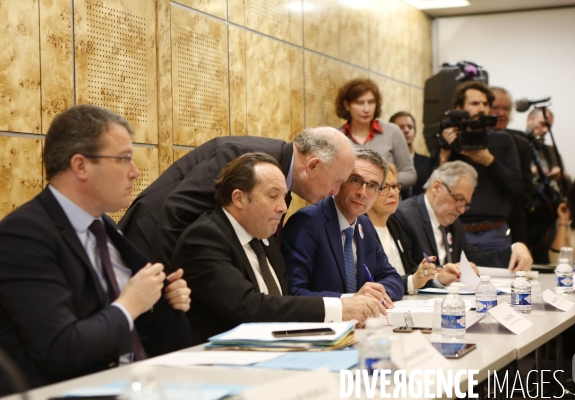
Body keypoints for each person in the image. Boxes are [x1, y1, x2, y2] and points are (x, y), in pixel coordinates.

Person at [0, 105, 191, 395]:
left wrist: (165, 303)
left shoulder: (104, 227)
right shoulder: (24, 235)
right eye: (124, 159)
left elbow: (156, 337)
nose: (135, 172)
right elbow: (59, 348)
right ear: (80, 166)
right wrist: (130, 304)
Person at [170, 152, 384, 344]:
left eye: (283, 196)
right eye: (273, 196)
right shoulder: (205, 238)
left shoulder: (264, 236)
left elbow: (283, 302)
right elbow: (248, 307)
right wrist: (340, 309)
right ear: (239, 198)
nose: (282, 207)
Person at [118, 127, 356, 270]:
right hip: (148, 243)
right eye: (336, 181)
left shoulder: (280, 174)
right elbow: (177, 209)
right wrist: (174, 282)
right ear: (313, 165)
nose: (336, 191)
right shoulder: (246, 159)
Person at [281, 149, 404, 304]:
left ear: (379, 192)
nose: (362, 192)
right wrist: (350, 301)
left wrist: (375, 295)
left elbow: (393, 279)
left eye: (372, 185)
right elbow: (293, 293)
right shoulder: (307, 222)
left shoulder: (365, 224)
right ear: (339, 180)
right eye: (355, 180)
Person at [433, 81, 522, 252]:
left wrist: (490, 161)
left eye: (485, 104)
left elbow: (517, 186)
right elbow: (432, 188)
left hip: (495, 232)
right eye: (475, 103)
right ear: (459, 107)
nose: (481, 109)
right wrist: (443, 155)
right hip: (456, 229)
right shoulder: (449, 141)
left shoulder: (503, 140)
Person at [395, 161, 533, 271]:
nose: (461, 210)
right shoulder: (406, 217)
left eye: (465, 204)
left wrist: (515, 249)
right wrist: (444, 272)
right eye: (458, 199)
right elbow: (409, 269)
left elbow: (474, 259)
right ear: (437, 187)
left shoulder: (454, 223)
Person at [365, 163, 463, 294]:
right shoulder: (360, 228)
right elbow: (374, 281)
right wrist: (413, 281)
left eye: (395, 186)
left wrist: (438, 277)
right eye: (384, 187)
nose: (393, 193)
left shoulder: (394, 223)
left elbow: (411, 271)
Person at [335, 78, 416, 189]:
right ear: (347, 105)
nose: (366, 109)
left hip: (386, 202)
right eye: (360, 103)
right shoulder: (336, 136)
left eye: (371, 102)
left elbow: (410, 174)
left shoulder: (392, 131)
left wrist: (383, 180)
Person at [489, 87, 533, 245]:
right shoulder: (471, 143)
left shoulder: (521, 143)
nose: (501, 113)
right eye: (495, 107)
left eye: (506, 108)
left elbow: (525, 188)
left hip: (513, 222)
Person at [389, 111, 435, 198]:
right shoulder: (388, 163)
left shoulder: (428, 162)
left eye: (410, 127)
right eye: (401, 127)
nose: (406, 130)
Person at [526, 107, 570, 184]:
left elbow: (567, 184)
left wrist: (561, 175)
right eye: (542, 124)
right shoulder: (514, 145)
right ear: (529, 119)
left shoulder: (552, 151)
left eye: (549, 126)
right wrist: (528, 172)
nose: (546, 130)